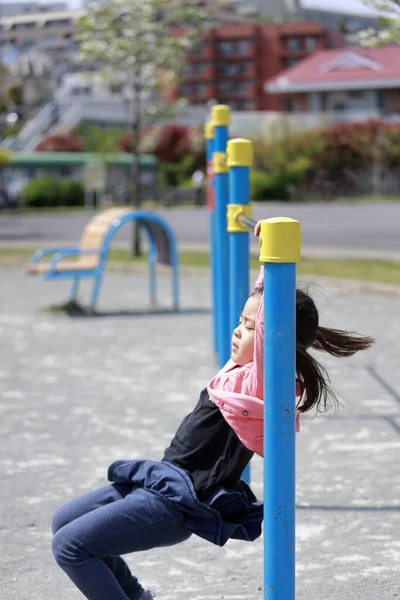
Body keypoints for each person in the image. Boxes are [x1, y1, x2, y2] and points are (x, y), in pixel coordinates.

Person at [50, 222, 374, 600]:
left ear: (275, 339)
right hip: (160, 480)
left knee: (70, 547)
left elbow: (271, 320)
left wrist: (276, 260)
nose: (239, 330)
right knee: (63, 523)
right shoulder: (236, 367)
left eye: (250, 327)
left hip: (175, 503)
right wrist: (264, 257)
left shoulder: (265, 384)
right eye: (240, 321)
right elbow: (262, 301)